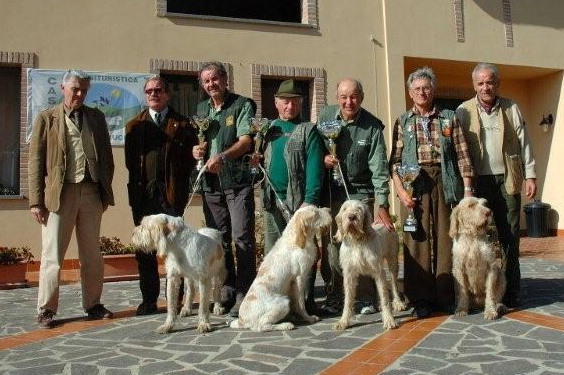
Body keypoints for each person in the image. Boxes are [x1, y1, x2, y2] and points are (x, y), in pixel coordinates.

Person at [29, 69, 115, 328]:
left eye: (84, 90)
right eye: (75, 89)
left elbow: (107, 157)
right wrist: (36, 200)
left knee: (91, 254)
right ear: (63, 88)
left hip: (90, 193)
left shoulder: (96, 117)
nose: (80, 94)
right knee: (53, 255)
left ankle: (93, 304)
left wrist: (104, 191)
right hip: (60, 194)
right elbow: (35, 161)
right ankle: (46, 309)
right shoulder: (47, 118)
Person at [389, 66, 474, 318]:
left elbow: (463, 155)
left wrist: (467, 191)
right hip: (414, 182)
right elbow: (394, 161)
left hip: (445, 180)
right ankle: (421, 299)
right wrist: (401, 192)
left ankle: (446, 295)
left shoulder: (449, 117)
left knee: (446, 237)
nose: (422, 92)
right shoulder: (403, 121)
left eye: (426, 87)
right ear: (410, 92)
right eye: (417, 89)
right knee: (417, 239)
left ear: (433, 90)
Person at [456, 63, 536, 308]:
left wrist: (530, 175)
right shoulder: (463, 110)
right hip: (478, 183)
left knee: (509, 237)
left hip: (508, 180)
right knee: (476, 240)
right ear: (474, 85)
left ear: (497, 84)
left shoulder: (511, 108)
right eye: (480, 83)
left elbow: (524, 142)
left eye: (490, 82)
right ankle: (474, 292)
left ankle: (510, 291)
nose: (485, 87)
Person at [317, 78, 394, 315]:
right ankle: (336, 295)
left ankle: (367, 298)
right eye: (343, 97)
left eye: (353, 97)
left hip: (361, 192)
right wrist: (324, 158)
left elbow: (380, 167)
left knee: (366, 245)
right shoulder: (325, 116)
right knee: (333, 247)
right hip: (332, 192)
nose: (348, 102)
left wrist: (382, 205)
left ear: (361, 97)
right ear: (337, 97)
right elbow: (314, 147)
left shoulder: (372, 126)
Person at [125, 77, 198, 316]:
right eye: (149, 91)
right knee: (145, 250)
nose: (153, 94)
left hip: (171, 196)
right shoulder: (134, 125)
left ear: (167, 94)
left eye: (158, 90)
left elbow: (190, 161)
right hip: (144, 197)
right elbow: (130, 163)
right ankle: (149, 300)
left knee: (176, 249)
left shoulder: (184, 124)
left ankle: (176, 300)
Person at [192, 61, 256, 317]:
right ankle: (226, 292)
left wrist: (223, 157)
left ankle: (246, 292)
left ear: (225, 79)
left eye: (214, 79)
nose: (211, 85)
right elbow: (199, 142)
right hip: (211, 186)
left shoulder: (242, 105)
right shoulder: (201, 109)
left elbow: (246, 141)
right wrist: (196, 151)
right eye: (206, 81)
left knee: (242, 238)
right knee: (219, 241)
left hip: (237, 181)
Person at [254, 79, 325, 312]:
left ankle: (304, 302)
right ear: (276, 103)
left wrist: (310, 200)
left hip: (299, 204)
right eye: (285, 102)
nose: (290, 106)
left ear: (301, 103)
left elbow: (315, 167)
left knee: (303, 254)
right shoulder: (267, 129)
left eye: (294, 102)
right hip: (272, 201)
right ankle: (274, 300)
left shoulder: (308, 130)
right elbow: (258, 161)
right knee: (274, 254)